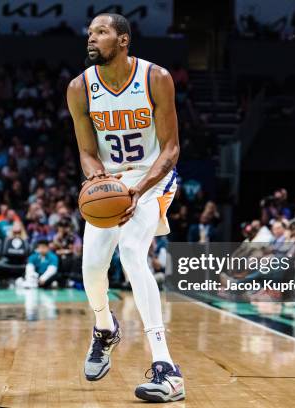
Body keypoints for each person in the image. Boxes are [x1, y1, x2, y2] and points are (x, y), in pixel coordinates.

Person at [66, 13, 184, 401]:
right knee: (92, 269)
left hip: (152, 178)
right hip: (111, 182)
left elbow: (170, 148)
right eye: (89, 33)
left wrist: (140, 189)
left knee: (133, 252)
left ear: (123, 40)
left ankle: (167, 370)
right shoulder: (80, 88)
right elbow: (86, 151)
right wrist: (100, 179)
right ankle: (104, 329)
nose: (91, 38)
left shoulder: (156, 78)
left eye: (101, 32)